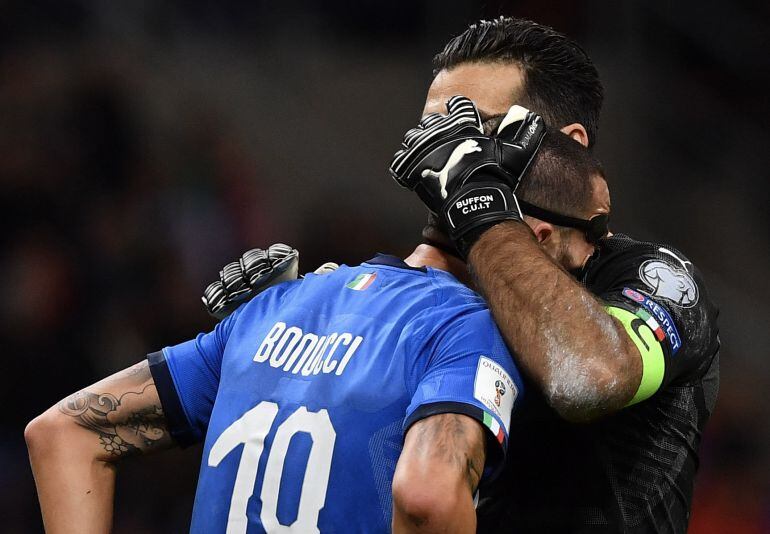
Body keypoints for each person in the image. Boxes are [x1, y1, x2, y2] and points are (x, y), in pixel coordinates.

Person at [208, 18, 720, 533]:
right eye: (438, 132)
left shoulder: (652, 280)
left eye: (475, 132)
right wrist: (283, 357)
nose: (451, 153)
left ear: (568, 146)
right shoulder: (423, 301)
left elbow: (587, 378)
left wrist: (480, 208)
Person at [25, 105, 575, 534]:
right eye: (574, 264)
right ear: (539, 242)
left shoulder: (271, 306)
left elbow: (63, 432)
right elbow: (428, 499)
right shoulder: (467, 329)